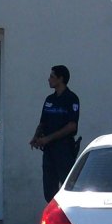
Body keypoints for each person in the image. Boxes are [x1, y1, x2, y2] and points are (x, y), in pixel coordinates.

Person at [30, 64, 80, 203]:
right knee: (49, 190)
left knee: (67, 186)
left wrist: (48, 138)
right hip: (49, 151)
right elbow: (43, 122)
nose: (49, 79)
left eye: (52, 76)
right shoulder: (49, 100)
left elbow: (72, 126)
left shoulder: (71, 99)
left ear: (61, 79)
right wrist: (36, 137)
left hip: (64, 150)